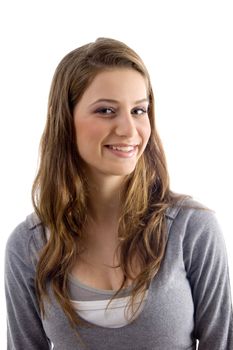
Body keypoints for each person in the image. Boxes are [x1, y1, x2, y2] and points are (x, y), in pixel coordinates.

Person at [4, 37, 233, 350]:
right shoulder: (29, 245)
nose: (129, 130)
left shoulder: (191, 229)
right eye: (106, 110)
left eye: (139, 110)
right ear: (65, 121)